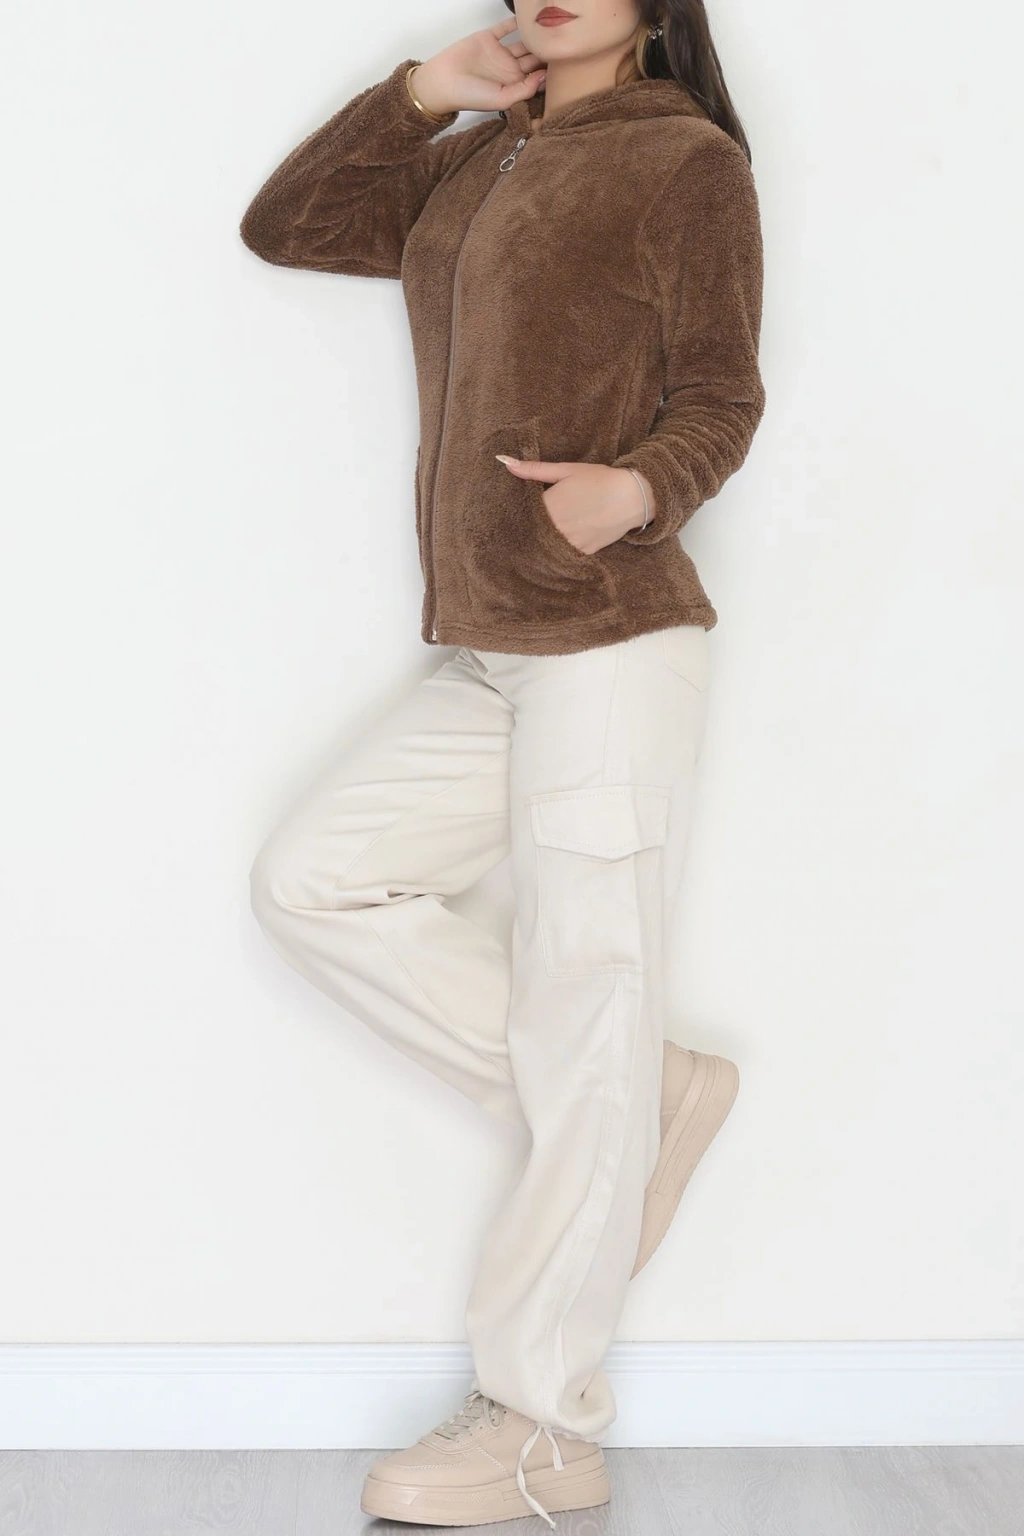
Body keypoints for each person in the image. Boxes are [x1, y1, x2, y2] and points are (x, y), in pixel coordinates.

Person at [239, 1, 765, 1526]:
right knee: (315, 881)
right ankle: (647, 1093)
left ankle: (543, 1425)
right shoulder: (484, 161)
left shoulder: (683, 158)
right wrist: (426, 91)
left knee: (586, 994)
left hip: (610, 636)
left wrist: (637, 490)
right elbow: (291, 226)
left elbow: (724, 390)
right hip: (489, 646)